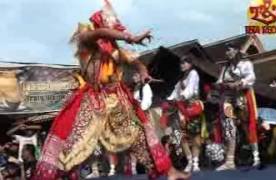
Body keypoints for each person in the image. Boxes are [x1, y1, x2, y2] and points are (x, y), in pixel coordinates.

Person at [33, 1, 189, 180]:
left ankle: (169, 172)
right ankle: (55, 176)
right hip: (93, 98)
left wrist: (143, 71)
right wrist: (130, 37)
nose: (116, 26)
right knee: (74, 141)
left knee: (140, 133)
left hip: (117, 96)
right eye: (113, 23)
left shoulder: (114, 49)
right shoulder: (86, 38)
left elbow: (133, 61)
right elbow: (101, 33)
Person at [215, 43, 260, 170]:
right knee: (228, 126)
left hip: (242, 96)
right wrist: (219, 85)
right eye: (226, 51)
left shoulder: (246, 63)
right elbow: (219, 81)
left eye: (229, 50)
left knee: (247, 125)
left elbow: (251, 78)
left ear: (236, 50)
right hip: (227, 98)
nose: (226, 53)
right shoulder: (225, 67)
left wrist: (239, 82)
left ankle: (256, 158)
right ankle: (230, 161)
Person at [161, 56, 204, 172]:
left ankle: (196, 163)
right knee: (182, 136)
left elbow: (189, 90)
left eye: (185, 63)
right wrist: (168, 100)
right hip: (181, 109)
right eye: (181, 63)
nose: (182, 65)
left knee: (195, 135)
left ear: (190, 64)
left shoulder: (193, 74)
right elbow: (174, 92)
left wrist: (181, 97)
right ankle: (189, 161)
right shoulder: (180, 80)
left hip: (192, 107)